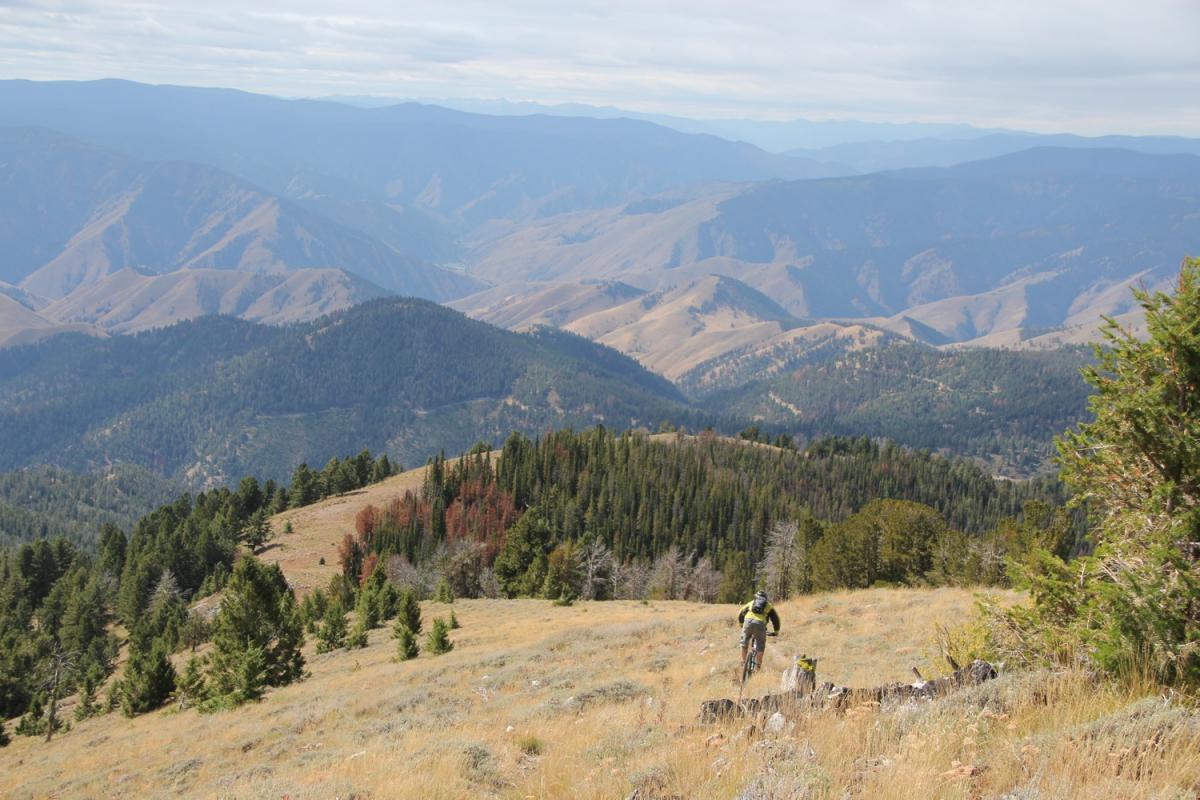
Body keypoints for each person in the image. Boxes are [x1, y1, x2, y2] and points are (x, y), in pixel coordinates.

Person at [738, 590, 780, 673]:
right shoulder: (768, 606)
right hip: (760, 624)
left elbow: (740, 613)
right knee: (760, 646)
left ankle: (743, 663)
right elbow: (776, 620)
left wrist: (741, 624)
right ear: (765, 599)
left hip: (748, 621)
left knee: (744, 642)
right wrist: (776, 631)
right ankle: (758, 669)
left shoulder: (751, 603)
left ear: (756, 597)